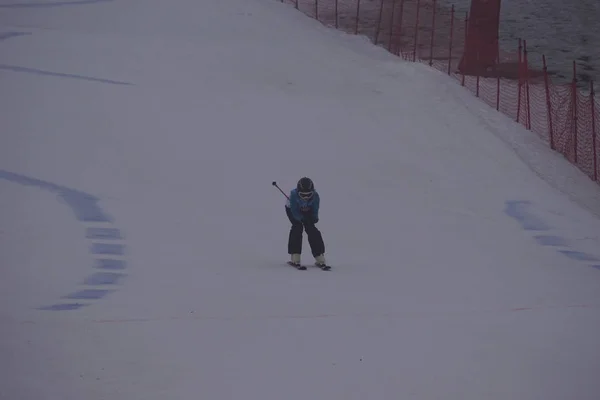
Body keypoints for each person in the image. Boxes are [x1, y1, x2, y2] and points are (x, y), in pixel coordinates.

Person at [285, 177, 326, 266]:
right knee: (297, 227)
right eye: (303, 195)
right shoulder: (293, 196)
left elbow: (315, 209)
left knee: (312, 229)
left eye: (309, 195)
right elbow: (294, 211)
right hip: (292, 210)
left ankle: (319, 255)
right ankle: (295, 255)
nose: (306, 197)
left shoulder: (316, 196)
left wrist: (314, 218)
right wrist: (300, 218)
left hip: (308, 211)